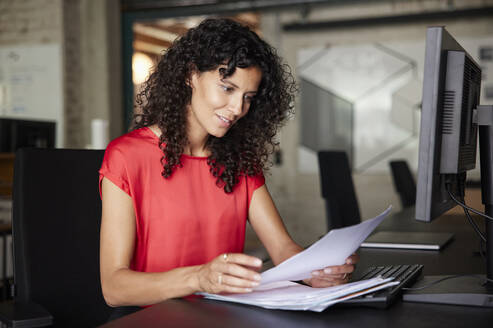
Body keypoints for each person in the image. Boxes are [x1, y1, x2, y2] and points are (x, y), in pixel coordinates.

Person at [99, 18, 358, 315]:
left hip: (224, 316)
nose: (238, 109)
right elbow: (114, 288)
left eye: (248, 98)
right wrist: (198, 278)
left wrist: (318, 271)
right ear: (190, 75)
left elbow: (283, 249)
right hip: (152, 318)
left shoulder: (239, 161)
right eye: (227, 88)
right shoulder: (126, 157)